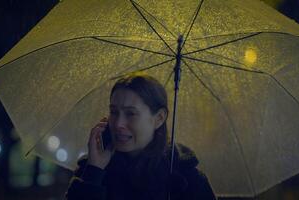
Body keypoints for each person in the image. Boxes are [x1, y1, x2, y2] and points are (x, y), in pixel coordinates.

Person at [65, 74, 216, 200]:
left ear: (159, 118)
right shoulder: (93, 168)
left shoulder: (186, 179)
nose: (118, 124)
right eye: (114, 112)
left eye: (130, 113)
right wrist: (94, 172)